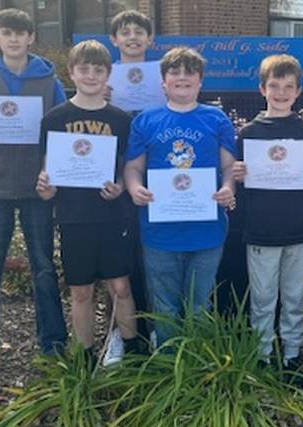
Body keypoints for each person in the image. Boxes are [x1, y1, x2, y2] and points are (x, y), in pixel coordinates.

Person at [0, 8, 68, 384]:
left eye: (21, 34)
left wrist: (49, 168)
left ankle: (53, 346)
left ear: (31, 38)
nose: (15, 39)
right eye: (7, 33)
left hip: (36, 187)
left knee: (43, 267)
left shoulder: (49, 79)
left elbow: (60, 131)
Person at [35, 40, 141, 366]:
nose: (91, 75)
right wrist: (45, 188)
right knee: (80, 290)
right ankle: (84, 358)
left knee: (121, 286)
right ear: (71, 73)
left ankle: (132, 353)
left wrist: (121, 187)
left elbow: (129, 167)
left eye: (98, 69)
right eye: (84, 69)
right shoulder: (54, 119)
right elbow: (46, 174)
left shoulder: (121, 120)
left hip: (112, 217)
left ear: (108, 75)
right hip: (73, 217)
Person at [123, 47, 237, 346]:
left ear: (201, 81)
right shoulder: (146, 121)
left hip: (207, 231)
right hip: (160, 232)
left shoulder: (216, 119)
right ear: (163, 81)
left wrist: (228, 188)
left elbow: (228, 166)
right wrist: (135, 187)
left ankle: (196, 369)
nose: (182, 78)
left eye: (190, 73)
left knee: (199, 306)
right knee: (165, 308)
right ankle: (167, 367)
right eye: (175, 72)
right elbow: (133, 167)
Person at [231, 54, 303, 369]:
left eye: (289, 86)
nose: (282, 92)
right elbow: (240, 190)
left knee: (294, 296)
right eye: (275, 86)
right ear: (262, 89)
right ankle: (261, 353)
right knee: (262, 298)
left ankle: (291, 352)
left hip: (298, 226)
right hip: (261, 229)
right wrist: (239, 177)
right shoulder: (248, 134)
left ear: (298, 92)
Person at [101, 9, 158, 364]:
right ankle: (117, 334)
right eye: (126, 32)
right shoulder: (102, 83)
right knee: (116, 260)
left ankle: (152, 329)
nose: (133, 37)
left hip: (154, 179)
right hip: (110, 181)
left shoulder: (161, 81)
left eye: (140, 32)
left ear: (150, 41)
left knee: (151, 257)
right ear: (115, 40)